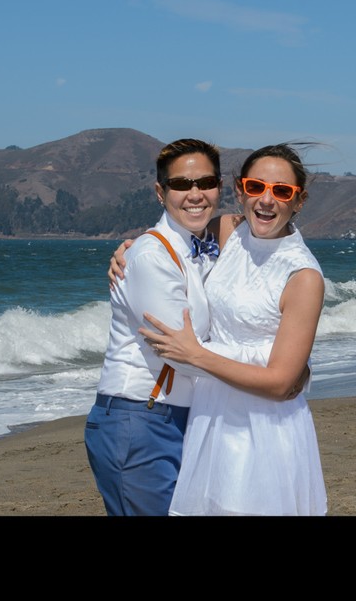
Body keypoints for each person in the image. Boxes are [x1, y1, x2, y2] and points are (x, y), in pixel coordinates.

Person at [139, 143, 327, 516]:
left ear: (299, 201)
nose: (266, 200)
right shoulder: (230, 232)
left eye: (282, 191)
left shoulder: (303, 276)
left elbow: (279, 383)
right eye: (256, 187)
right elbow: (171, 238)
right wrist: (131, 249)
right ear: (240, 191)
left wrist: (197, 356)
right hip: (211, 413)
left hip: (264, 428)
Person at [85, 138, 224, 516]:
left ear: (220, 188)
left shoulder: (201, 247)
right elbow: (181, 353)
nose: (195, 194)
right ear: (161, 193)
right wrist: (270, 369)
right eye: (181, 185)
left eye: (206, 183)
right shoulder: (149, 256)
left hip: (179, 415)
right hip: (140, 418)